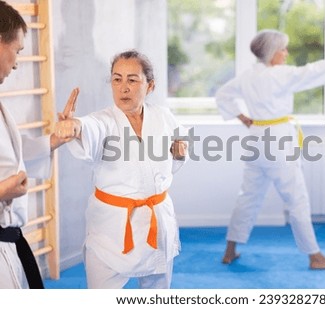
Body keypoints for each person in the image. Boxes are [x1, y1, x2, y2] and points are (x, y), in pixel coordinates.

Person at [215, 29, 325, 269]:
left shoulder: (247, 77)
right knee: (297, 199)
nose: (286, 54)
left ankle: (229, 250)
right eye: (282, 50)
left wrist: (244, 118)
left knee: (248, 197)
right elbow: (314, 71)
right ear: (271, 54)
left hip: (255, 139)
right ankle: (315, 257)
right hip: (277, 141)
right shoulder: (280, 75)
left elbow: (223, 94)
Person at [55, 50, 188, 288]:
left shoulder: (163, 117)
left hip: (156, 221)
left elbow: (179, 148)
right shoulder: (104, 120)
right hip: (112, 229)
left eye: (132, 79)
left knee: (157, 293)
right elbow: (90, 126)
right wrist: (74, 125)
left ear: (150, 86)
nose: (123, 87)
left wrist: (179, 151)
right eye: (117, 79)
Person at [0, 0, 77, 288]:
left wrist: (56, 139)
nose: (17, 62)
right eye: (17, 50)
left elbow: (9, 156)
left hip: (9, 240)